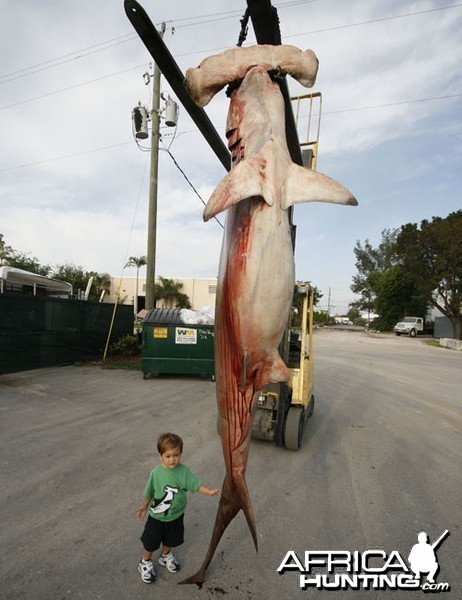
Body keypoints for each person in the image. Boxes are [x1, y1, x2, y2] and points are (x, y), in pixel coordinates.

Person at [136, 432, 221, 584]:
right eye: (168, 456)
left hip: (176, 516)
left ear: (181, 454)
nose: (172, 459)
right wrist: (144, 506)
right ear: (160, 456)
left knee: (170, 539)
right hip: (157, 518)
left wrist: (209, 492)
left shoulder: (184, 472)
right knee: (151, 542)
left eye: (176, 455)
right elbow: (149, 492)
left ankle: (165, 555)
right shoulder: (156, 473)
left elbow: (195, 484)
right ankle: (145, 561)